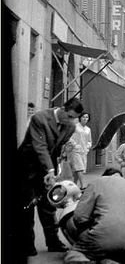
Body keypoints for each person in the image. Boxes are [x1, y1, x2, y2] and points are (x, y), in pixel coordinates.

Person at [14, 98, 85, 257]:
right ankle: (27, 244)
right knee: (28, 204)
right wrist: (51, 169)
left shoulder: (70, 127)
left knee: (48, 204)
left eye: (74, 118)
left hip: (46, 168)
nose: (72, 121)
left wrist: (55, 171)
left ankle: (53, 242)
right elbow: (40, 147)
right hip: (26, 166)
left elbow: (56, 148)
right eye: (70, 116)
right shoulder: (39, 118)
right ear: (62, 109)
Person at [62, 168, 125, 264]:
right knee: (117, 248)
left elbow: (79, 216)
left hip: (104, 237)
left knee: (73, 255)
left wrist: (89, 227)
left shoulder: (97, 183)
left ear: (105, 175)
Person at [68, 112, 92, 190]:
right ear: (80, 118)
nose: (85, 119)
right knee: (80, 168)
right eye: (83, 117)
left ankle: (73, 187)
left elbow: (89, 141)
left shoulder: (88, 129)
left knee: (76, 172)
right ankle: (83, 186)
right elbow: (69, 137)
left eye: (87, 117)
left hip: (84, 151)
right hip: (75, 151)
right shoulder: (75, 127)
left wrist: (88, 147)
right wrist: (75, 145)